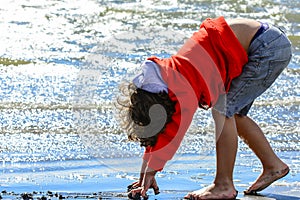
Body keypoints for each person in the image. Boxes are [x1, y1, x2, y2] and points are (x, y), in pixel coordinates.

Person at [117, 16, 292, 199]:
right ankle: (273, 165)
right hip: (267, 41)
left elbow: (173, 133)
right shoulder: (170, 73)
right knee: (233, 114)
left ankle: (224, 185)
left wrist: (152, 171)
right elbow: (161, 135)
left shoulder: (181, 86)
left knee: (223, 111)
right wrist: (145, 174)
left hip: (266, 46)